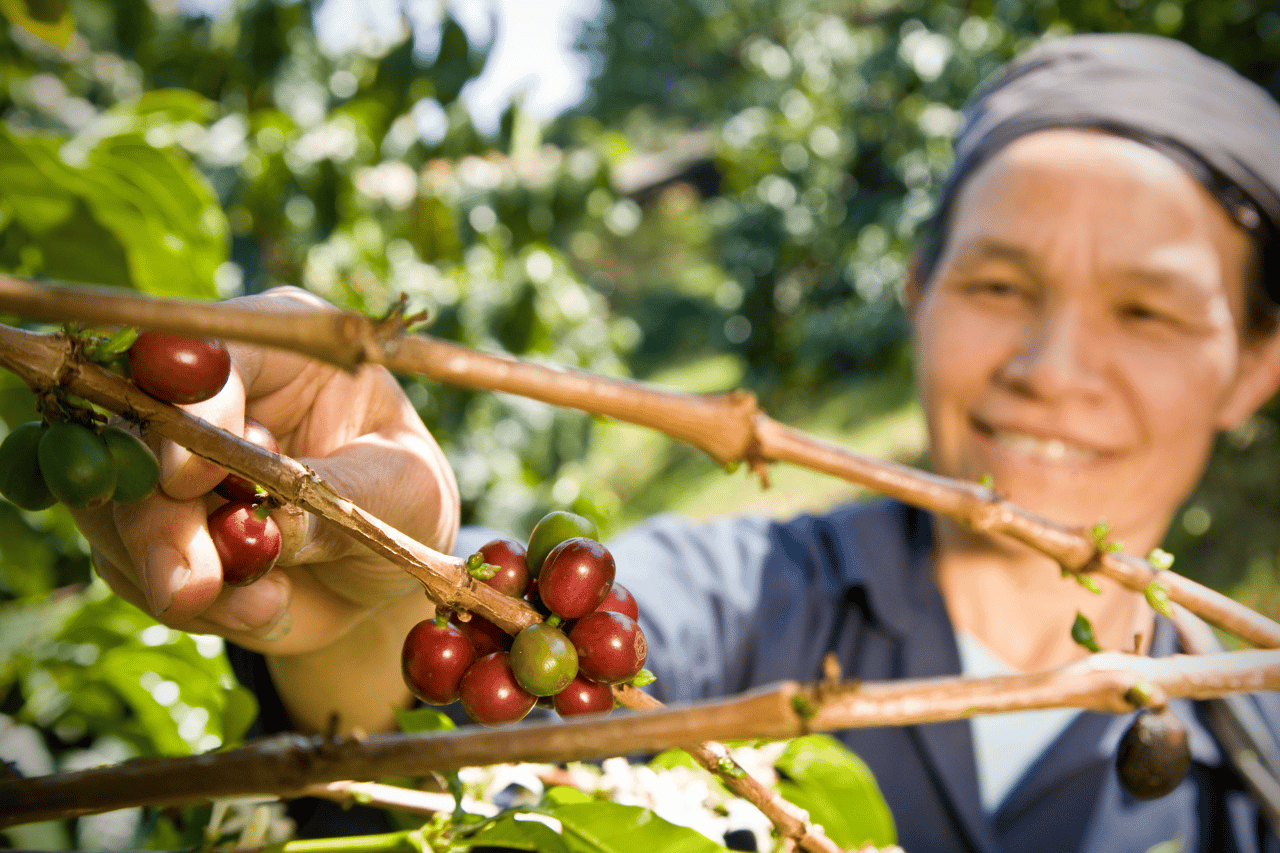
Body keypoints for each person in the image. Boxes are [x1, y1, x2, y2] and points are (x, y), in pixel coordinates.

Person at [72, 32, 1280, 852]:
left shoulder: (1256, 757)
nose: (1052, 368)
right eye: (1000, 286)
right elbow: (448, 754)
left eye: (1147, 309)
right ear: (918, 293)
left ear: (1254, 366)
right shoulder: (739, 607)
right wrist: (362, 606)